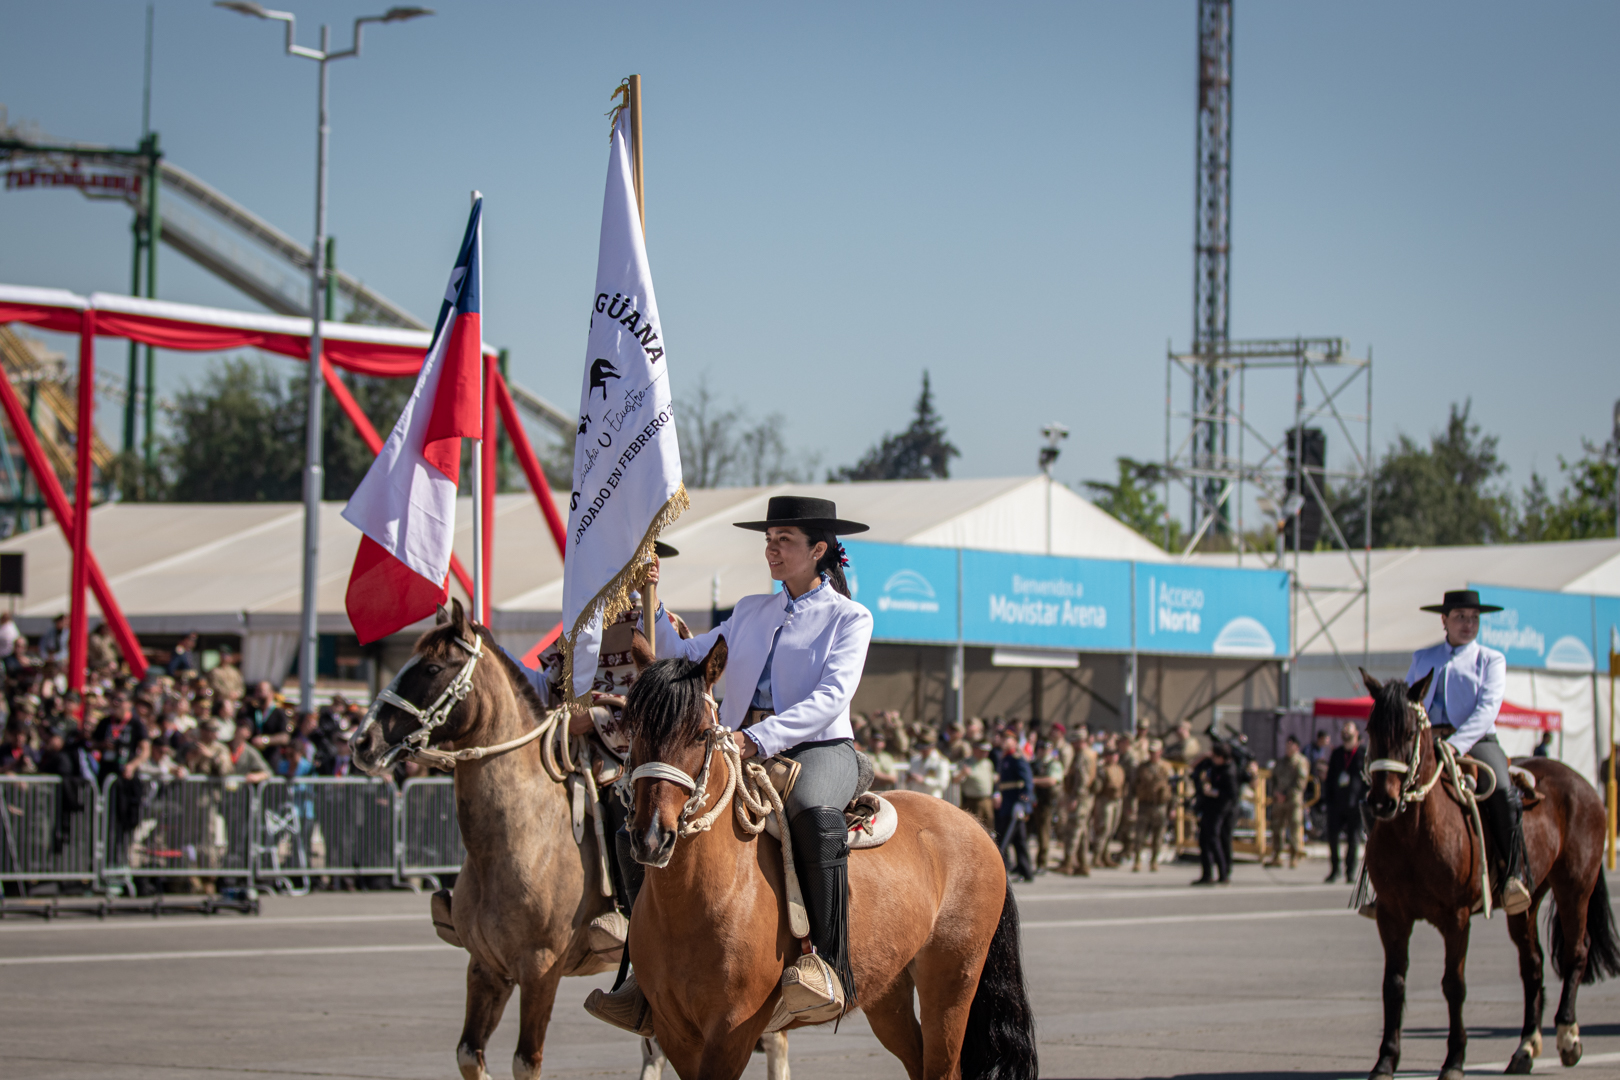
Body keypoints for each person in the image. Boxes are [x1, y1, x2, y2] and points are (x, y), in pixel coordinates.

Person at [590, 496, 873, 1031]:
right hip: (737, 743)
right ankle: (639, 971)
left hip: (817, 747)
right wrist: (652, 601)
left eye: (784, 540)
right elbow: (682, 654)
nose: (772, 548)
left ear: (818, 550)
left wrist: (755, 738)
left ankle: (829, 964)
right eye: (768, 539)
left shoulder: (850, 617)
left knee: (814, 814)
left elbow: (832, 698)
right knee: (636, 810)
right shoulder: (750, 611)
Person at [1405, 588, 1532, 916]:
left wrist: (1456, 743)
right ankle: (1380, 881)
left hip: (1476, 741)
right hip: (1427, 741)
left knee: (1500, 789)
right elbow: (1408, 703)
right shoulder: (1422, 658)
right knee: (1387, 785)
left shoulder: (1491, 659)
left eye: (1474, 618)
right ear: (1444, 620)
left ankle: (1513, 875)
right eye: (1460, 617)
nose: (1468, 623)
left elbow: (1488, 710)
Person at [1322, 721, 1366, 884]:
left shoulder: (1363, 753)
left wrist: (1364, 798)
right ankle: (1335, 869)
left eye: (1349, 730)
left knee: (1353, 839)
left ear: (1356, 733)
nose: (1346, 733)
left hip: (1355, 804)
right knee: (1333, 836)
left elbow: (1367, 780)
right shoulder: (1337, 753)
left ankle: (1350, 871)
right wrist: (1328, 800)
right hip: (1337, 803)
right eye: (1344, 730)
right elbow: (1330, 778)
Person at [1192, 741, 1238, 885]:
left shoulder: (1229, 771)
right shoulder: (1214, 767)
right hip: (1209, 807)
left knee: (1214, 839)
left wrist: (1215, 792)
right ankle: (1207, 874)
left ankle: (1223, 873)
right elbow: (1194, 768)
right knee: (1203, 840)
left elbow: (1231, 794)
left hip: (1220, 810)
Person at [994, 727, 1036, 883]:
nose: (1004, 742)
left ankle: (1003, 870)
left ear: (1014, 741)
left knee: (1005, 838)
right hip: (1007, 803)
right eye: (1002, 738)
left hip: (1014, 805)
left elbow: (1027, 782)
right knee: (1018, 840)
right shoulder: (1005, 758)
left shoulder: (1017, 758)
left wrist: (1022, 803)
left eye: (1007, 739)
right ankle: (1025, 870)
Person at [1266, 735, 1310, 869]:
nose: (1288, 748)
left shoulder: (1300, 761)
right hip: (1279, 801)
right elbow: (1273, 778)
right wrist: (1275, 793)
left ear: (1296, 747)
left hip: (1293, 800)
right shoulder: (1281, 762)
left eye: (1291, 745)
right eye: (1287, 745)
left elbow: (1301, 782)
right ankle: (1277, 855)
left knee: (1294, 827)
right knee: (1277, 827)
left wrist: (1286, 794)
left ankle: (1294, 855)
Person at [1058, 724, 1097, 876]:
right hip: (1085, 798)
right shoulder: (1089, 753)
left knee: (1073, 830)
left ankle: (1068, 863)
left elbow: (1082, 780)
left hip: (1081, 799)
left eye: (1075, 741)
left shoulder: (1082, 756)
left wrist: (1074, 798)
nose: (1073, 744)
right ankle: (1083, 864)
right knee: (1082, 832)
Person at [1130, 739, 1173, 872]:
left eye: (1155, 752)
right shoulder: (1142, 767)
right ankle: (1137, 860)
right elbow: (1133, 786)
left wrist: (1173, 808)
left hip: (1160, 805)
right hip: (1144, 804)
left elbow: (1173, 788)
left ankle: (1154, 861)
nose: (1152, 754)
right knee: (1140, 835)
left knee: (1158, 835)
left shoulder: (1166, 767)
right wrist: (1131, 804)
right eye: (1151, 752)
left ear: (1160, 752)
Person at [1030, 737, 1064, 870]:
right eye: (1040, 748)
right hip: (1033, 801)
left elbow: (1051, 780)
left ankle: (1042, 862)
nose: (1043, 751)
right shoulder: (1034, 763)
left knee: (1044, 833)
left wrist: (1033, 781)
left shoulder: (1053, 764)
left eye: (1045, 749)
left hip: (1047, 802)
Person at [1090, 745, 1126, 868]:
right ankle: (1097, 856)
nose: (1113, 757)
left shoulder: (1119, 769)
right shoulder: (1102, 770)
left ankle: (1105, 855)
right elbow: (1097, 788)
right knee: (1103, 829)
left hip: (1117, 800)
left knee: (1112, 830)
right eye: (1110, 755)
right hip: (1105, 800)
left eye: (1115, 755)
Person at [955, 741, 996, 833]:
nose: (985, 753)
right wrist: (963, 773)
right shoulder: (966, 763)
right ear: (975, 750)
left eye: (987, 751)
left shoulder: (988, 763)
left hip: (986, 799)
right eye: (982, 750)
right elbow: (955, 779)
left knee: (989, 826)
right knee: (973, 828)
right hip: (972, 800)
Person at [904, 730, 951, 799]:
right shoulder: (914, 760)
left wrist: (924, 780)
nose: (923, 750)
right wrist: (908, 778)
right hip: (915, 799)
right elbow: (908, 779)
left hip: (932, 799)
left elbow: (943, 784)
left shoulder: (940, 762)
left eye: (925, 747)